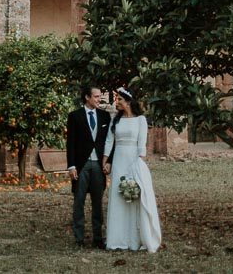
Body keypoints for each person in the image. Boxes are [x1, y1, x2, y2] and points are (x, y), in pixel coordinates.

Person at [103, 87, 162, 252]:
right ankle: (116, 239)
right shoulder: (115, 119)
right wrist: (105, 161)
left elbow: (141, 144)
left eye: (120, 99)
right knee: (118, 196)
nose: (117, 102)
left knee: (134, 196)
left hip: (133, 160)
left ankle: (134, 239)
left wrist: (139, 164)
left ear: (128, 101)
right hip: (119, 160)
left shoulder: (140, 120)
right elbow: (109, 141)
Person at [65, 84, 112, 249]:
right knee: (79, 201)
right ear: (87, 97)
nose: (99, 99)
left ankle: (98, 239)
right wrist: (71, 165)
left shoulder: (105, 116)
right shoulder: (75, 116)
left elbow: (109, 142)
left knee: (98, 202)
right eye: (97, 96)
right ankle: (79, 239)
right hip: (81, 164)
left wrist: (109, 162)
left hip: (99, 165)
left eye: (100, 96)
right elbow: (70, 143)